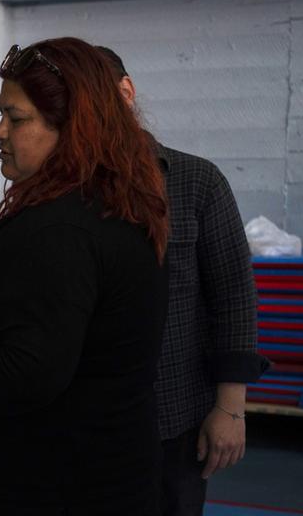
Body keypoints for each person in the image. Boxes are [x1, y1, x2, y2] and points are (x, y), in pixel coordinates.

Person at [0, 38, 171, 514]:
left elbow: (30, 371)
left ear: (75, 128)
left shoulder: (61, 229)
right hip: (89, 475)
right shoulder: (110, 208)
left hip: (38, 487)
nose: (0, 132)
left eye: (17, 119)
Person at [97, 45, 269, 516]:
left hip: (173, 419)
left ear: (125, 93)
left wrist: (231, 408)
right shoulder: (68, 193)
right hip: (84, 424)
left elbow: (234, 296)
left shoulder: (196, 181)